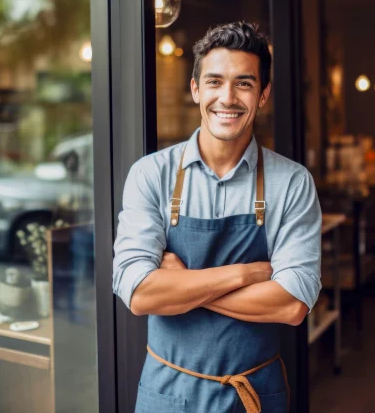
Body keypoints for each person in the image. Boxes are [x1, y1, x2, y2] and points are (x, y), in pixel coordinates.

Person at [113, 22, 322, 413]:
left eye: (244, 83)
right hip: (167, 394)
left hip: (255, 394)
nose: (227, 98)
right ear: (195, 90)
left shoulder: (292, 183)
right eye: (214, 82)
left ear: (263, 95)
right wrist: (247, 274)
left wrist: (179, 286)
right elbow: (138, 293)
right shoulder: (151, 174)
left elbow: (293, 304)